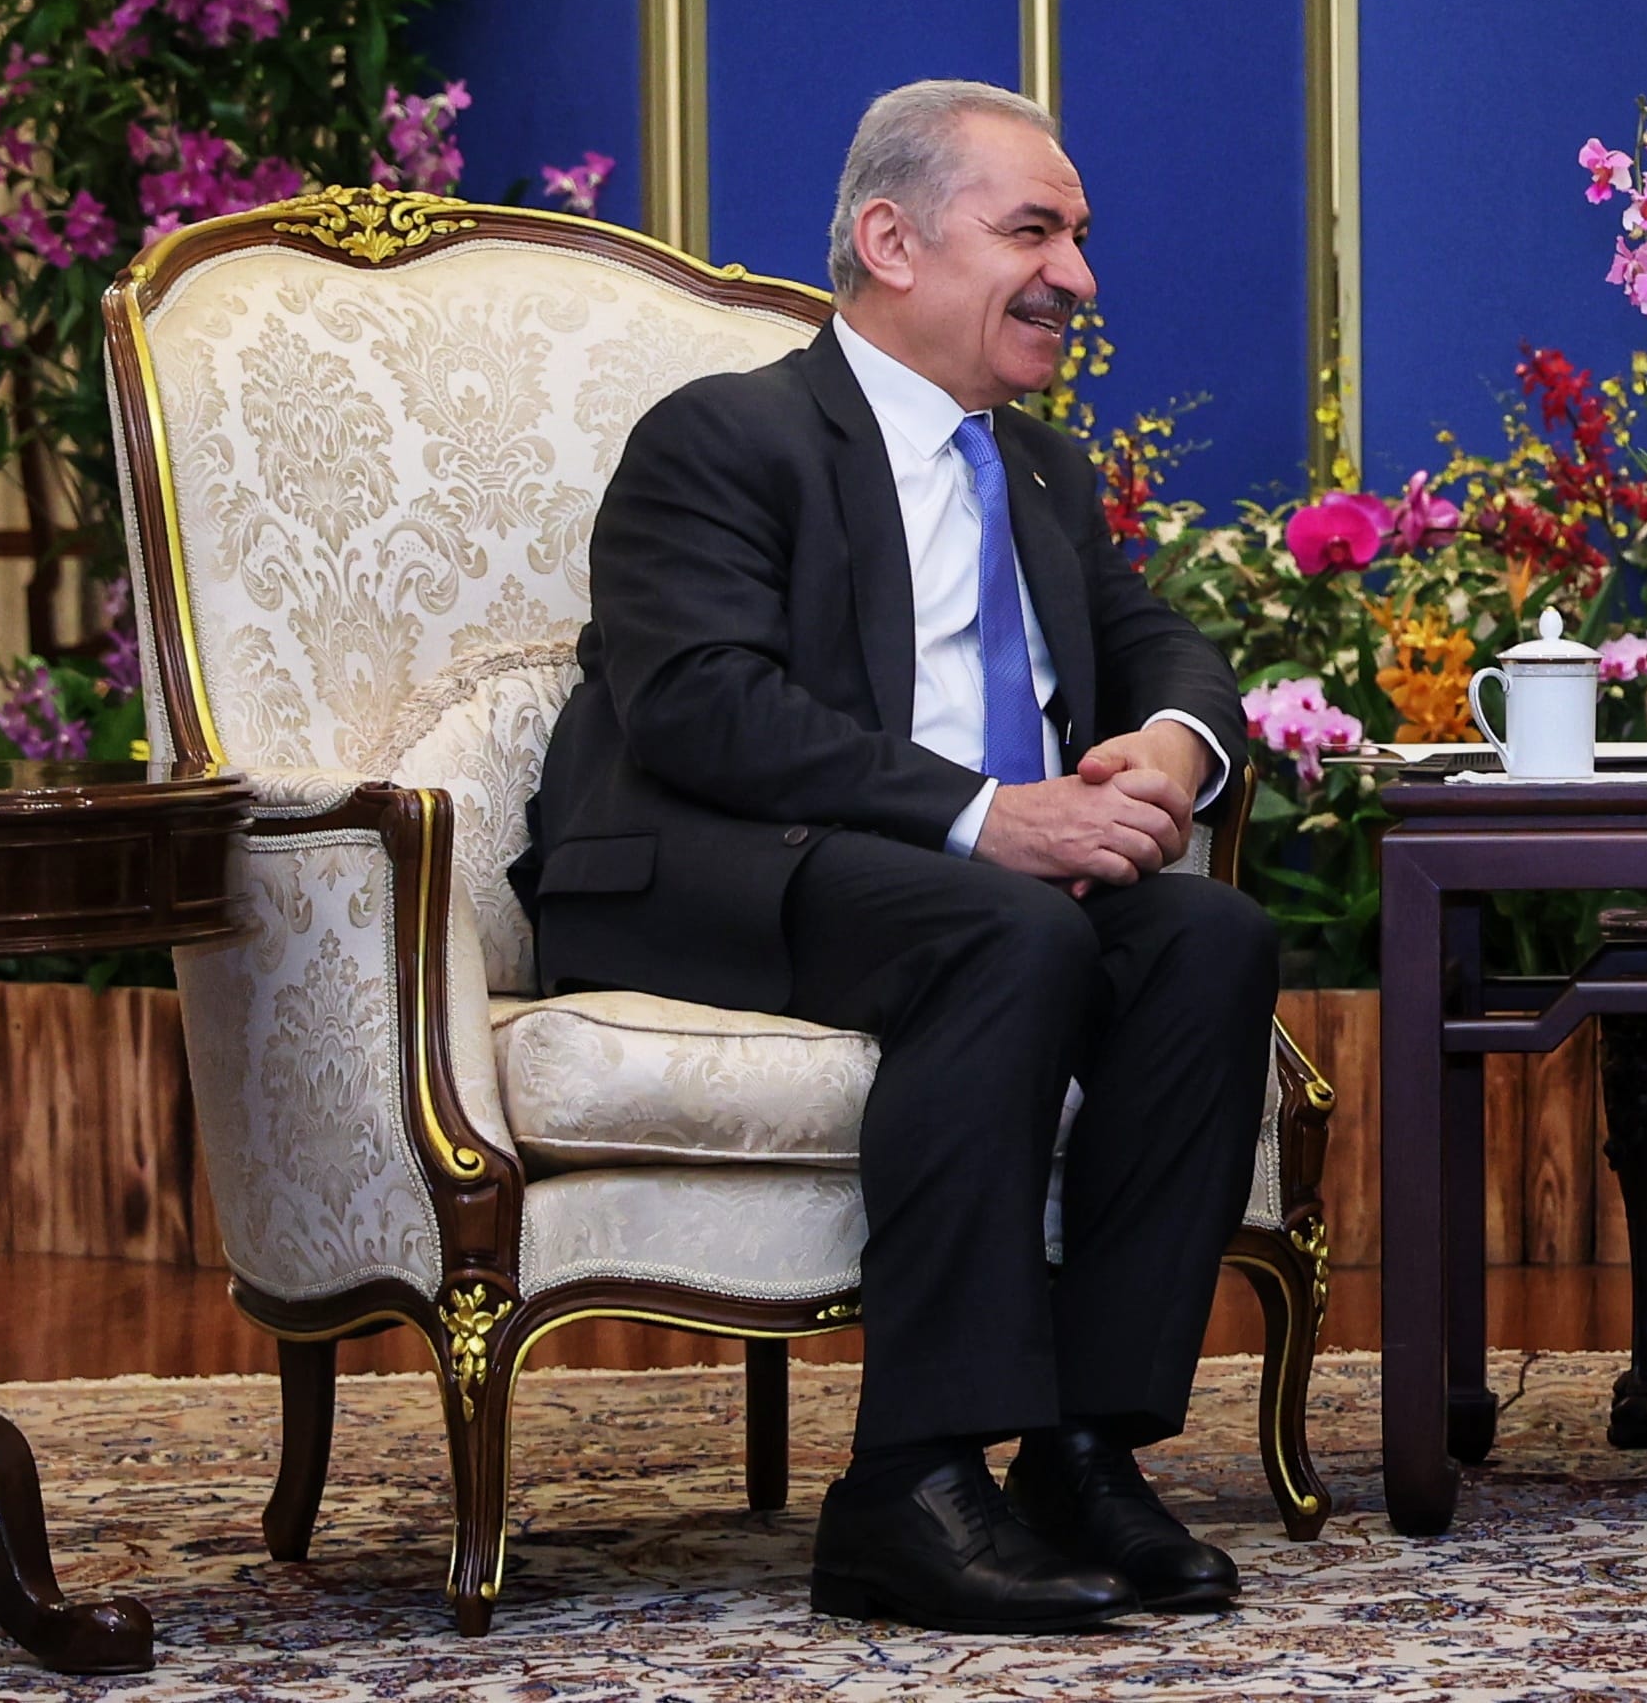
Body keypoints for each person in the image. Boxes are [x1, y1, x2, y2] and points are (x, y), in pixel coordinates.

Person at [516, 80, 1275, 1635]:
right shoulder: (728, 432)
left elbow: (1169, 650)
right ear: (892, 240)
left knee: (1208, 939)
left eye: (1078, 235)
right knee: (1014, 933)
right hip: (712, 867)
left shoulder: (1041, 473)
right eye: (1035, 231)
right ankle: (907, 1483)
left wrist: (1175, 750)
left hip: (936, 883)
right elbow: (699, 702)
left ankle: (1081, 1445)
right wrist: (991, 817)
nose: (1079, 276)